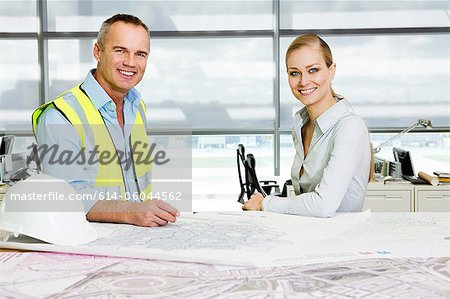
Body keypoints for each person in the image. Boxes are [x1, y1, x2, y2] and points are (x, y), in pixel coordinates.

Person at [32, 14, 179, 227]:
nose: (130, 62)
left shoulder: (136, 107)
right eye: (120, 51)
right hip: (87, 246)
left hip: (135, 241)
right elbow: (68, 198)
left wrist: (145, 211)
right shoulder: (60, 115)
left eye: (140, 54)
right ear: (97, 52)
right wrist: (133, 212)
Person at [243, 34, 371, 217]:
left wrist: (265, 203)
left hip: (340, 241)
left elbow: (323, 205)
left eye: (313, 70)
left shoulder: (350, 126)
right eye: (294, 73)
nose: (303, 81)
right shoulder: (302, 125)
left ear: (331, 71)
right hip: (310, 237)